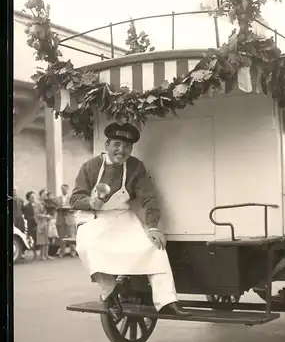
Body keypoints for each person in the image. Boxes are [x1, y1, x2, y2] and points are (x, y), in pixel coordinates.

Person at [70, 122, 191, 317]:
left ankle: (167, 301)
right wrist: (90, 202)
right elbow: (75, 198)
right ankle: (109, 292)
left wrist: (152, 227)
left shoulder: (135, 167)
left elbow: (149, 197)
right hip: (94, 218)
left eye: (126, 146)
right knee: (87, 247)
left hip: (122, 217)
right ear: (107, 145)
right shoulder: (91, 167)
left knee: (155, 248)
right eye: (117, 144)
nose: (121, 150)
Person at [55, 184, 77, 258]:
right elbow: (55, 208)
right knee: (62, 237)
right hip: (60, 219)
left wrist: (68, 208)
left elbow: (75, 208)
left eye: (65, 189)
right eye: (62, 189)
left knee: (71, 236)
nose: (63, 190)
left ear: (67, 189)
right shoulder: (57, 198)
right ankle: (62, 251)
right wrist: (59, 207)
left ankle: (73, 251)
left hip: (69, 218)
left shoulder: (71, 198)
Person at [34, 189, 53, 261]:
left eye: (46, 194)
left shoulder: (45, 203)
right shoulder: (37, 203)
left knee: (46, 239)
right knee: (42, 240)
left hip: (46, 222)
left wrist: (48, 217)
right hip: (40, 223)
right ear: (41, 194)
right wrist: (46, 216)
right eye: (44, 194)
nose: (45, 195)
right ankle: (42, 256)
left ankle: (46, 255)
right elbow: (37, 214)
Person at [23, 191, 38, 257]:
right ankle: (34, 253)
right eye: (32, 197)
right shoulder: (26, 207)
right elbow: (26, 216)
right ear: (28, 198)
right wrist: (34, 218)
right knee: (33, 239)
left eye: (34, 196)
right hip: (31, 225)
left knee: (39, 238)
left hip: (39, 224)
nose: (33, 198)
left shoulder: (38, 205)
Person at [44, 192, 60, 257]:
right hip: (48, 218)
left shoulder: (54, 201)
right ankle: (49, 251)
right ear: (48, 196)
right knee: (49, 235)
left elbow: (58, 205)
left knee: (54, 235)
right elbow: (47, 207)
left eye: (52, 195)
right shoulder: (46, 202)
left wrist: (54, 201)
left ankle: (52, 251)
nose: (51, 196)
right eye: (50, 195)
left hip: (54, 217)